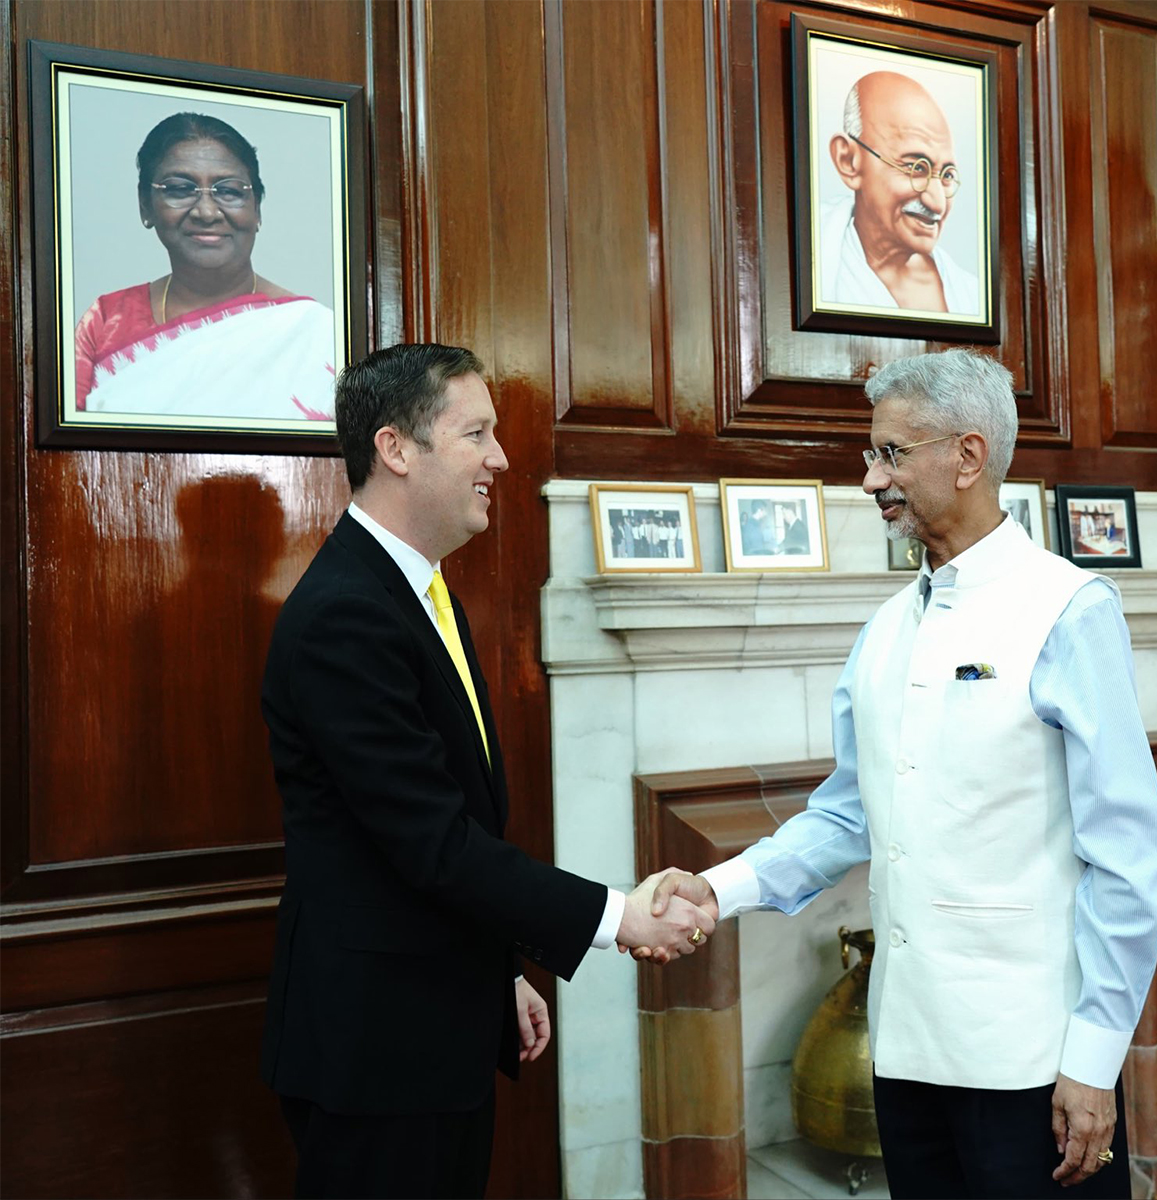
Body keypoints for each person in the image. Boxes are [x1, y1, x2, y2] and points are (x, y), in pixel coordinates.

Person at [642, 349, 1157, 1198]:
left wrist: (1095, 1058)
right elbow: (847, 814)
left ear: (967, 457)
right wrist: (716, 890)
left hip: (1031, 1061)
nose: (869, 479)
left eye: (891, 454)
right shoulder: (883, 631)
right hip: (903, 1053)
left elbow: (1129, 860)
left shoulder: (1069, 610)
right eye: (871, 454)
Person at [259, 344, 715, 1199]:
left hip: (437, 1023)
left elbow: (451, 818)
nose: (501, 458)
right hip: (376, 1051)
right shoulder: (345, 616)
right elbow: (431, 843)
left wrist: (499, 971)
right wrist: (618, 917)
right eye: (477, 433)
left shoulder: (419, 591)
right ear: (396, 448)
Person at [73, 112, 338, 419]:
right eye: (179, 189)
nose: (207, 212)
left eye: (229, 191)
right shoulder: (106, 322)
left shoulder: (317, 335)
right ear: (145, 205)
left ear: (257, 209)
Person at [816, 72, 983, 316]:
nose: (937, 203)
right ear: (849, 160)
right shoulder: (810, 255)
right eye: (916, 168)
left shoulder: (969, 295)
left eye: (947, 175)